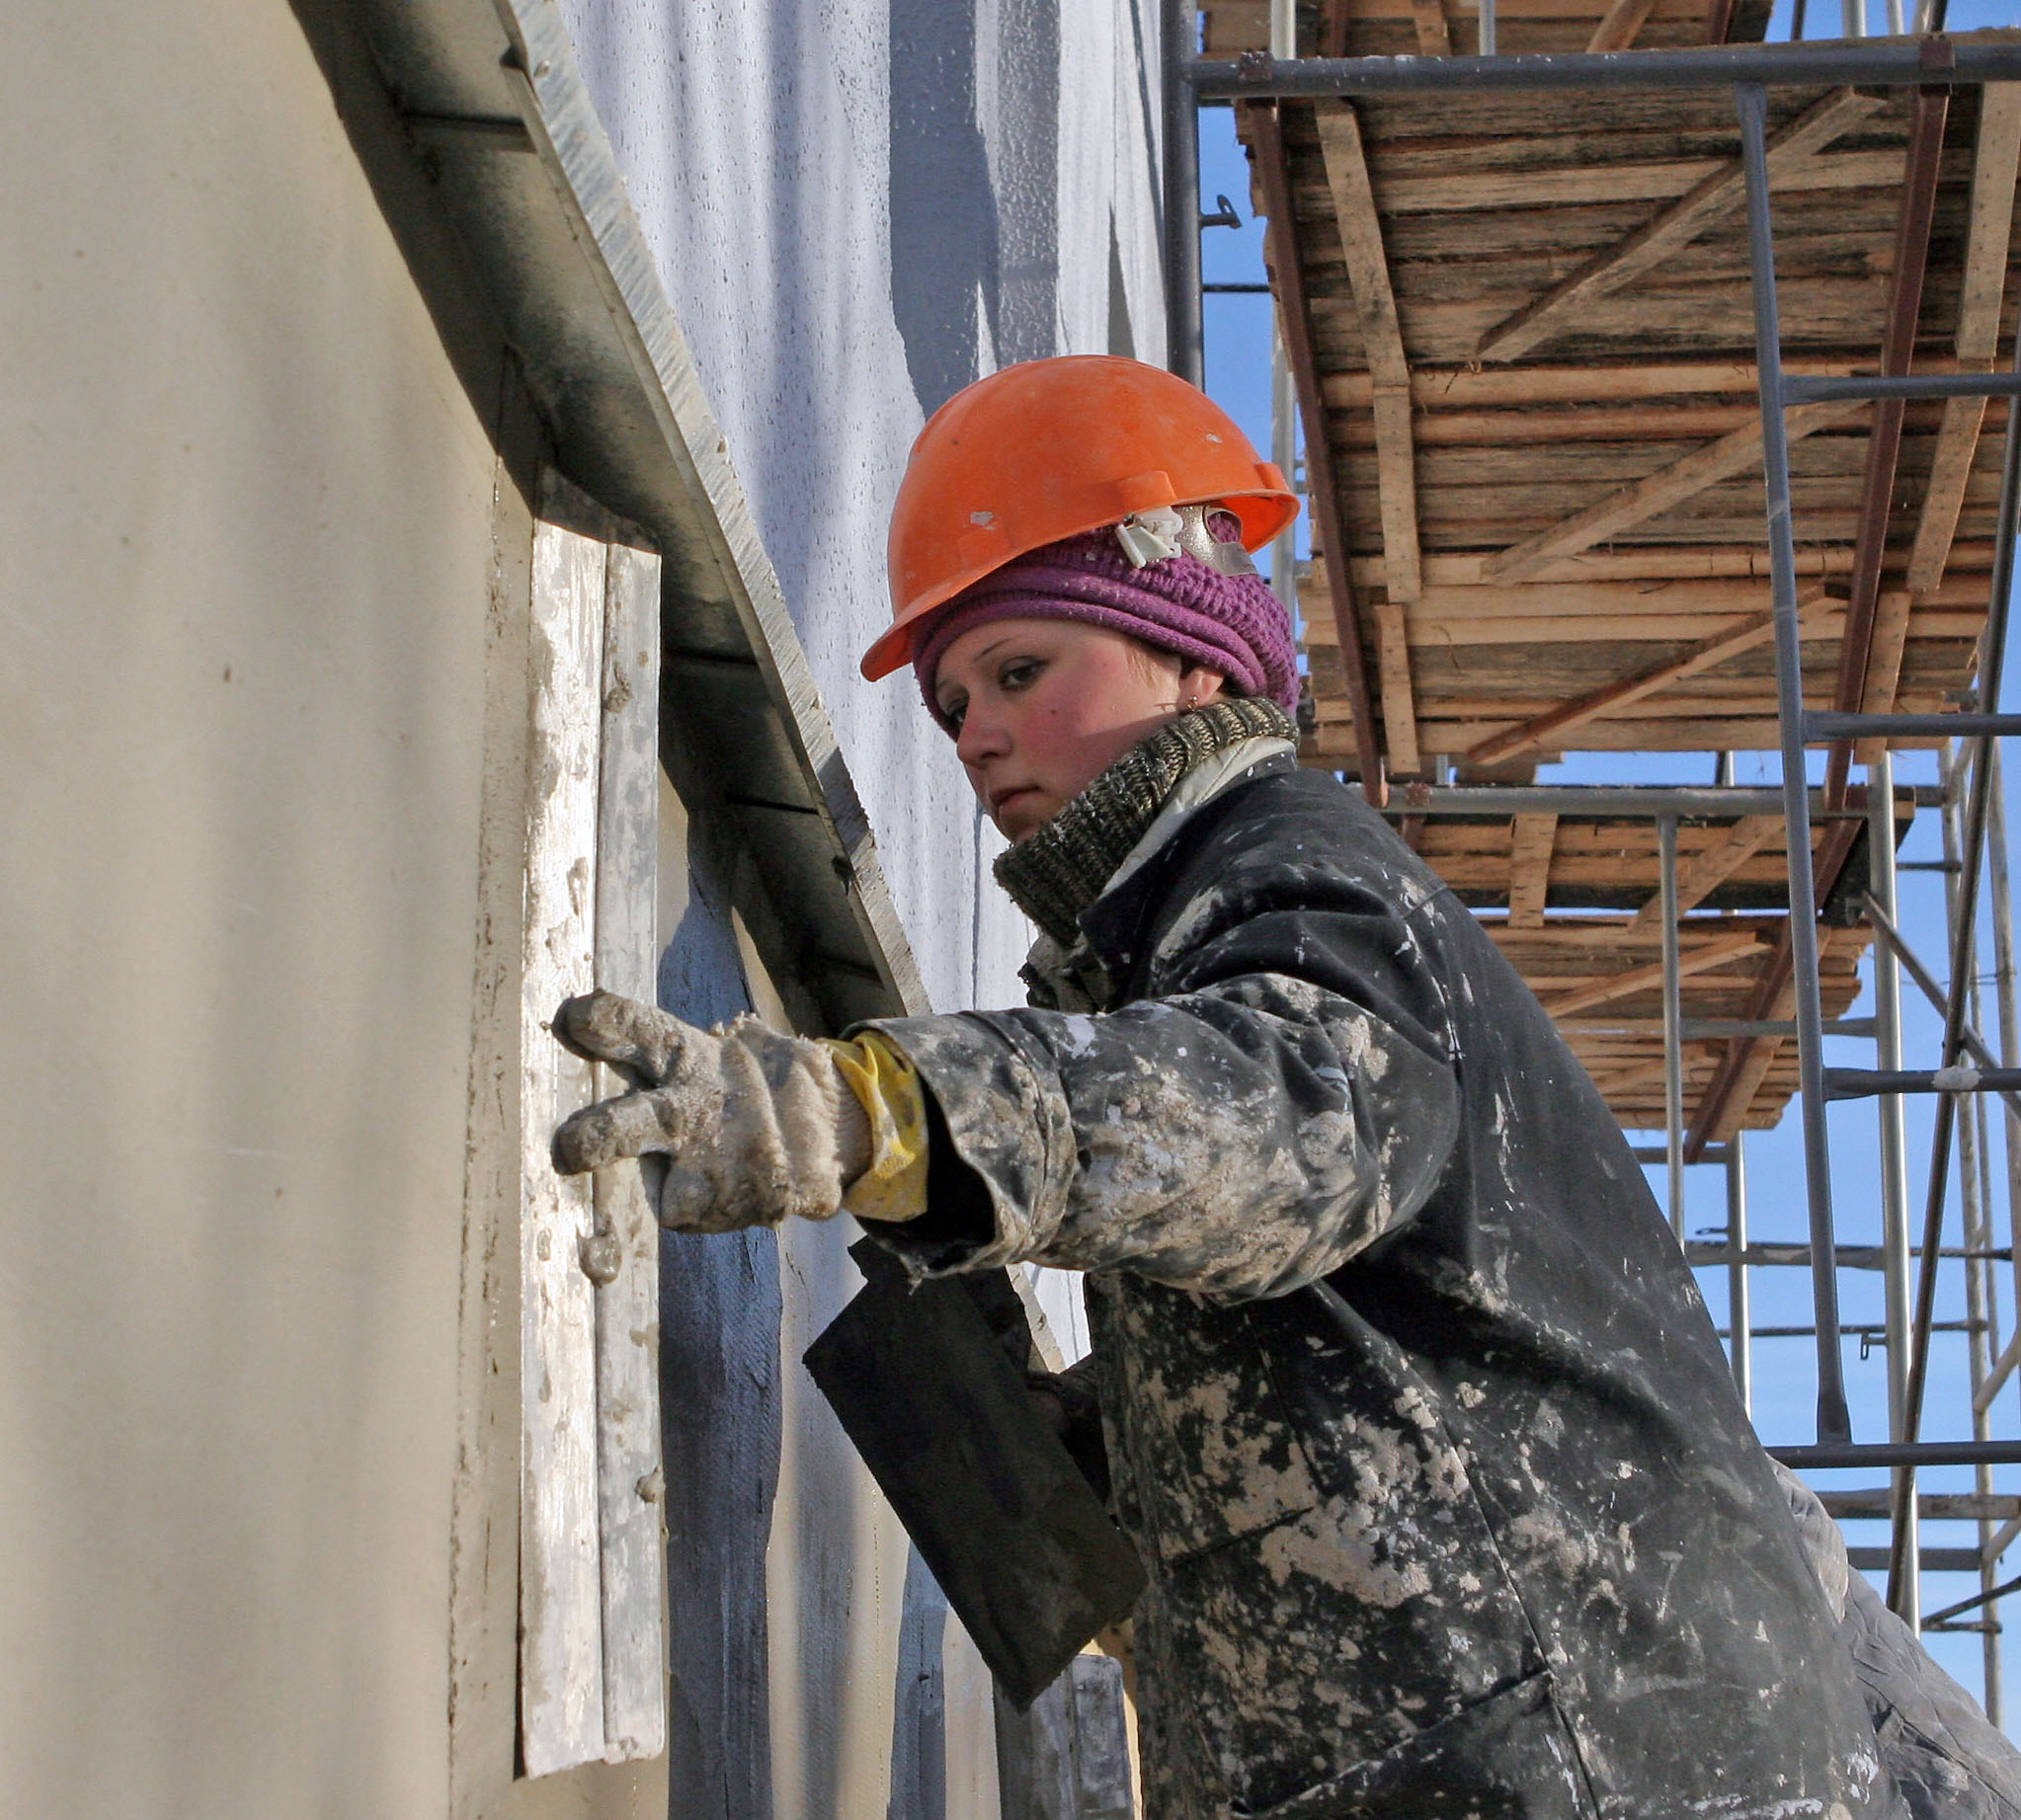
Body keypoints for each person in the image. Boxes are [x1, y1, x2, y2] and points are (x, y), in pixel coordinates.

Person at [549, 356, 2005, 1819]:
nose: (977, 733)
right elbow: (1325, 1416)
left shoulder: (1292, 874)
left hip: (1585, 1758)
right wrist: (1063, 1450)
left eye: (1020, 670)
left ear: (1194, 661)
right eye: (949, 706)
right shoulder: (1164, 952)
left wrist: (874, 1113)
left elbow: (1284, 1120)